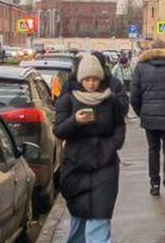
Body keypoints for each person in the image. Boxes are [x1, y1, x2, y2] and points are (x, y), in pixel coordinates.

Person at [54, 54, 126, 243]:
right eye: (87, 79)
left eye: (95, 79)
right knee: (79, 219)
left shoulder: (110, 100)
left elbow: (119, 126)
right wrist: (75, 121)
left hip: (106, 166)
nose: (92, 84)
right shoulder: (67, 99)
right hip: (76, 167)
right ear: (80, 79)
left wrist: (112, 145)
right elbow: (59, 130)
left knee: (99, 219)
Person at [130, 39, 165, 199]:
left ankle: (154, 183)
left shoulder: (141, 66)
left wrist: (141, 113)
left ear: (150, 50)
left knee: (153, 149)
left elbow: (134, 95)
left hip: (149, 116)